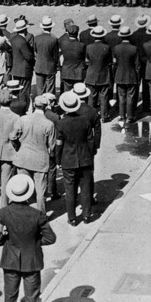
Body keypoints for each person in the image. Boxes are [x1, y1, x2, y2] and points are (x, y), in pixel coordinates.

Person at [0, 174, 56, 302]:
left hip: (10, 262)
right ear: (28, 194)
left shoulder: (4, 213)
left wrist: (8, 238)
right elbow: (51, 238)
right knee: (32, 299)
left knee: (10, 299)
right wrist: (35, 242)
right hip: (32, 262)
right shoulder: (37, 214)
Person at [10, 95, 56, 212]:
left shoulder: (23, 119)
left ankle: (22, 211)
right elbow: (52, 146)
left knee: (23, 187)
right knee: (40, 191)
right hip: (40, 161)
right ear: (46, 107)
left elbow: (12, 136)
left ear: (35, 105)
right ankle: (41, 214)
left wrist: (17, 147)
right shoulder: (49, 124)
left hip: (23, 158)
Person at [55, 92, 96, 226]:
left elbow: (59, 144)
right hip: (85, 159)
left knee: (70, 190)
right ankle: (86, 215)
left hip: (68, 160)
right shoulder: (85, 120)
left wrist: (58, 160)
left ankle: (72, 218)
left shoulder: (61, 124)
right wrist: (90, 155)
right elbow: (91, 140)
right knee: (85, 189)